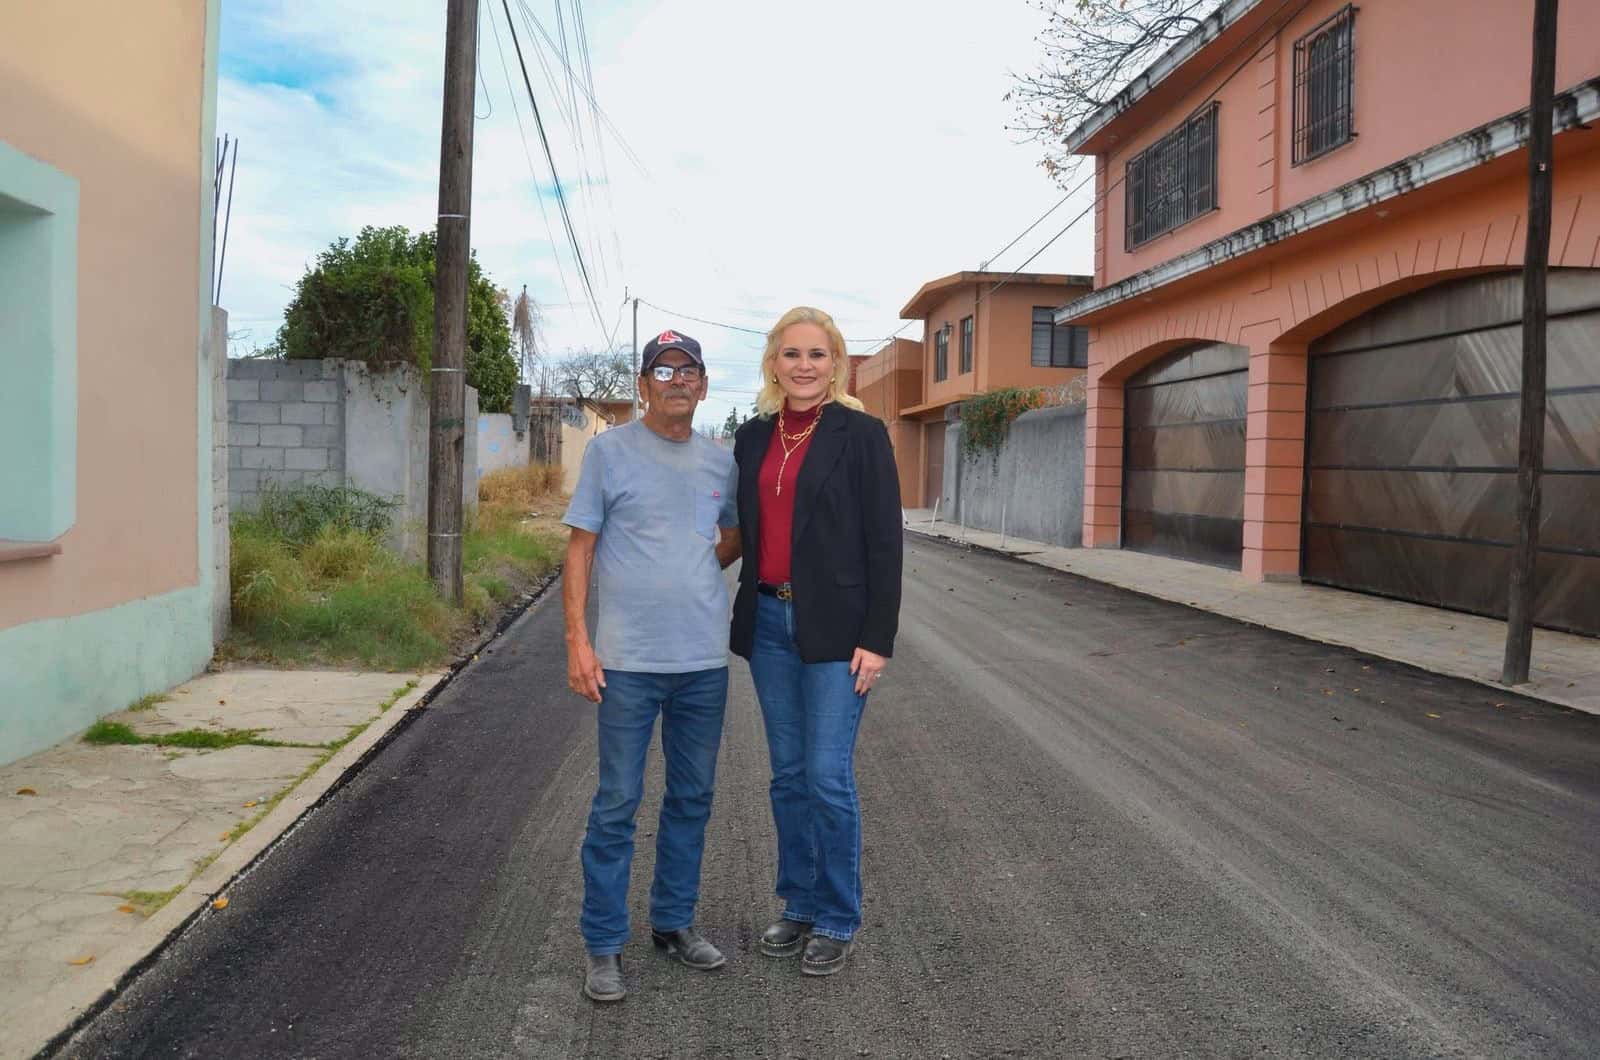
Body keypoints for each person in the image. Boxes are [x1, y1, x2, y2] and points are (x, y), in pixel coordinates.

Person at [562, 329, 741, 1003]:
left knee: (692, 799)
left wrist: (689, 571)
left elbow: (729, 537)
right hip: (627, 664)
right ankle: (603, 945)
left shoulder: (720, 463)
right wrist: (579, 642)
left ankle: (673, 923)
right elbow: (579, 550)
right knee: (617, 803)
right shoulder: (608, 454)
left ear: (702, 385)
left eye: (687, 370)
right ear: (643, 385)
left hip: (702, 661)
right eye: (662, 370)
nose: (675, 380)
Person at [729, 306, 903, 976]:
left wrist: (877, 637)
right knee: (789, 776)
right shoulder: (750, 439)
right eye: (792, 354)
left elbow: (885, 542)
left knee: (828, 777)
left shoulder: (860, 435)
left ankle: (836, 914)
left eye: (817, 354)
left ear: (837, 363)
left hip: (836, 629)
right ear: (773, 362)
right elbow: (739, 528)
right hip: (769, 623)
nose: (804, 366)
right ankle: (798, 902)